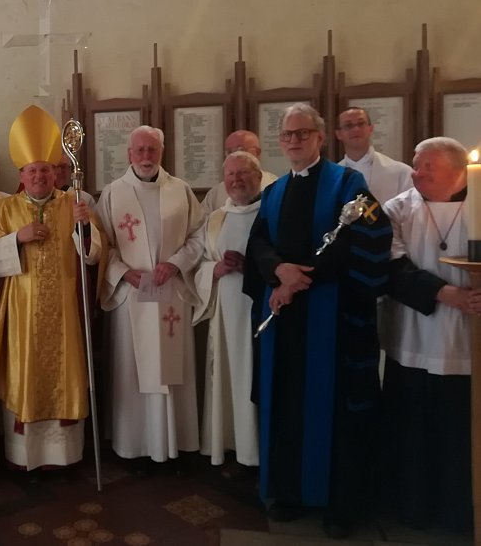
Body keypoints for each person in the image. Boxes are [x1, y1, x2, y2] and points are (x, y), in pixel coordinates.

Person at [243, 103, 392, 538]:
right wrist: (278, 272)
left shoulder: (349, 184)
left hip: (334, 319)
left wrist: (301, 278)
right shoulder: (274, 191)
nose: (294, 141)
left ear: (320, 138)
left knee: (338, 411)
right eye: (287, 135)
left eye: (302, 133)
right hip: (286, 322)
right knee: (286, 402)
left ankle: (341, 506)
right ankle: (290, 493)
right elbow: (258, 243)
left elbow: (364, 240)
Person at [0, 105, 104, 472]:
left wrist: (84, 227)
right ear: (21, 174)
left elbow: (94, 255)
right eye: (32, 170)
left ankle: (64, 458)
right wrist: (17, 238)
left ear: (56, 173)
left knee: (65, 373)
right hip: (23, 313)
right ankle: (26, 459)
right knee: (27, 376)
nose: (39, 176)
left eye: (46, 169)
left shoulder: (74, 204)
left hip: (64, 310)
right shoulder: (5, 209)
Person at [380, 137, 481, 531]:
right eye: (415, 163)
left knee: (461, 431)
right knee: (413, 429)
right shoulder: (398, 209)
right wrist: (446, 293)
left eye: (427, 167)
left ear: (458, 172)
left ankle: (463, 513)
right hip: (414, 337)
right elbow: (390, 266)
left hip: (469, 342)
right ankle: (413, 509)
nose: (416, 172)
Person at [96, 125, 204, 469]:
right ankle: (136, 447)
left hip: (171, 292)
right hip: (132, 295)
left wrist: (175, 264)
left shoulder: (180, 190)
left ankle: (176, 444)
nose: (146, 156)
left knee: (171, 369)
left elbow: (199, 236)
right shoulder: (113, 193)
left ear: (161, 152)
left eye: (152, 150)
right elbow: (102, 244)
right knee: (133, 371)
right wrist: (122, 273)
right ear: (129, 154)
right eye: (140, 150)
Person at [193, 152, 262, 472]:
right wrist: (216, 269)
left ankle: (257, 450)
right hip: (225, 313)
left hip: (259, 311)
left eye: (243, 173)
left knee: (254, 376)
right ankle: (231, 444)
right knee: (227, 377)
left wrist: (251, 267)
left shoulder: (269, 214)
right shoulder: (216, 218)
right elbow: (200, 264)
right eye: (231, 175)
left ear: (258, 177)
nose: (237, 180)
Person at [336, 107, 413, 204]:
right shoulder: (333, 177)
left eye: (361, 123)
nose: (356, 129)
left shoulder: (401, 173)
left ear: (371, 129)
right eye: (348, 125)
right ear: (338, 134)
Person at [201, 130, 277, 214]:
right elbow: (205, 220)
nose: (235, 155)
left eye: (241, 150)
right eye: (229, 152)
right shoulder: (216, 194)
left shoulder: (276, 187)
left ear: (257, 152)